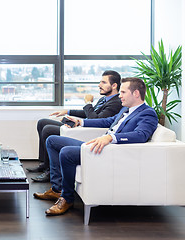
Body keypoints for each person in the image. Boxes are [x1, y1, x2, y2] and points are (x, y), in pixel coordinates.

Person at [33, 77, 158, 216]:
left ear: (135, 93)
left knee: (66, 153)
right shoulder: (125, 109)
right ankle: (57, 190)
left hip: (109, 152)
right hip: (98, 146)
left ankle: (67, 198)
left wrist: (111, 137)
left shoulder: (148, 113)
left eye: (123, 92)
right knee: (52, 140)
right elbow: (108, 121)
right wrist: (81, 122)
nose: (120, 95)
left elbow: (141, 135)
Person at [28, 70, 123, 182]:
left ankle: (50, 171)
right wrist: (68, 111)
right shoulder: (104, 99)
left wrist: (88, 103)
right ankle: (45, 164)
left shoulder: (116, 102)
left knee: (48, 130)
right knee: (42, 122)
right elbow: (89, 113)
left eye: (103, 82)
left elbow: (95, 118)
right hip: (82, 126)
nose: (99, 85)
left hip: (86, 131)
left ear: (114, 85)